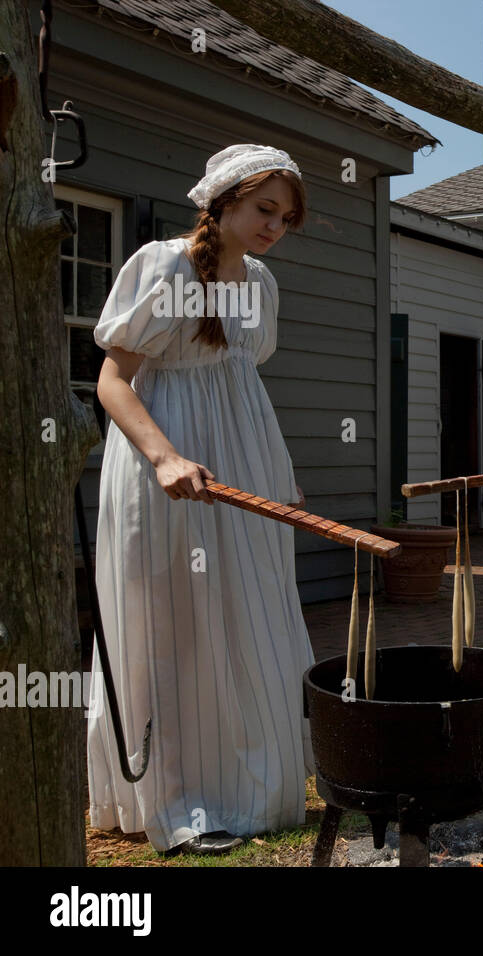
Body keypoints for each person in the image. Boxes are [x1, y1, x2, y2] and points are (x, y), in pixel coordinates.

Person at [88, 144, 315, 855]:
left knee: (249, 616)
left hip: (244, 476)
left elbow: (240, 388)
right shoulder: (164, 266)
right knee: (174, 627)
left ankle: (253, 787)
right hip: (168, 472)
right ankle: (179, 799)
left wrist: (275, 469)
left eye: (285, 216)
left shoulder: (262, 286)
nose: (273, 226)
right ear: (220, 203)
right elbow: (111, 382)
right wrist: (163, 457)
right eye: (262, 209)